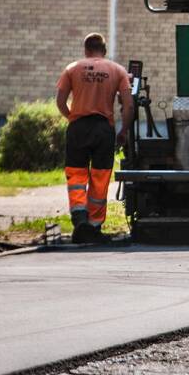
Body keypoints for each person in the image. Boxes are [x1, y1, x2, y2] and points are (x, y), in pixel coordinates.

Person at [55, 33, 133, 244]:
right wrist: (123, 131)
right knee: (100, 177)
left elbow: (60, 101)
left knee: (76, 175)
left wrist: (72, 117)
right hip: (103, 128)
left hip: (78, 127)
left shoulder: (72, 69)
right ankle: (94, 226)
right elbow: (129, 105)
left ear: (86, 49)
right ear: (104, 50)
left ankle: (79, 219)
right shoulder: (117, 71)